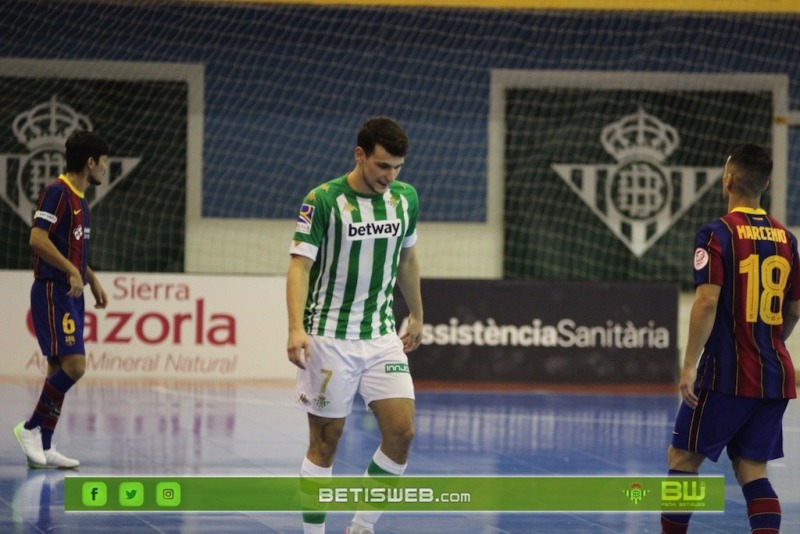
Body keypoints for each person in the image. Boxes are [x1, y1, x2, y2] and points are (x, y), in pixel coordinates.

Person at [286, 116, 423, 534]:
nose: (390, 176)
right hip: (329, 339)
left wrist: (416, 312)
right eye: (383, 166)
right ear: (360, 155)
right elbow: (299, 267)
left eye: (397, 167)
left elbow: (407, 258)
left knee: (402, 434)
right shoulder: (323, 200)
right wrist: (295, 328)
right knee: (326, 442)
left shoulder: (405, 199)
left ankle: (361, 527)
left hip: (381, 337)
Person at [661, 143, 800, 534]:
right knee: (752, 469)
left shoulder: (715, 235)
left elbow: (706, 301)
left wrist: (689, 365)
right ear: (766, 184)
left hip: (726, 375)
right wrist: (771, 343)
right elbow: (793, 311)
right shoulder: (787, 240)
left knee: (683, 458)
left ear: (727, 181)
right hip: (775, 375)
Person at [13, 129, 110, 469]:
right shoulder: (57, 192)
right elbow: (37, 239)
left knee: (57, 369)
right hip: (53, 291)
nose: (105, 169)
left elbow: (73, 250)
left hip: (72, 291)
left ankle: (46, 444)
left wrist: (92, 279)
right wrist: (71, 270)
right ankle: (29, 429)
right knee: (75, 366)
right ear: (90, 162)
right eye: (103, 162)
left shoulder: (82, 199)